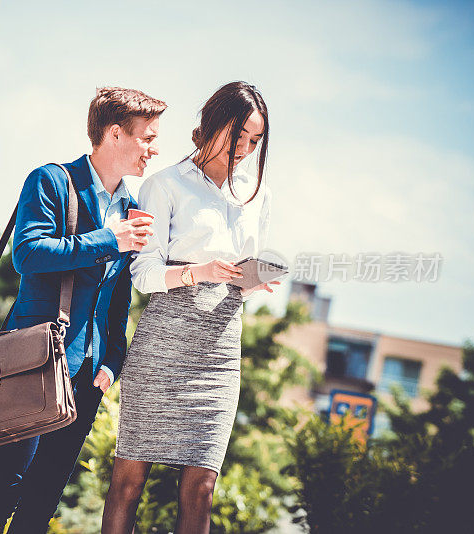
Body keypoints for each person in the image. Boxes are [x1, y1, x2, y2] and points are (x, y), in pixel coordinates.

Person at [0, 87, 166, 534]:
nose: (154, 149)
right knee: (4, 488)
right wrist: (109, 240)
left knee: (42, 502)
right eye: (147, 138)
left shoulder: (134, 209)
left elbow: (119, 297)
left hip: (88, 377)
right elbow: (29, 254)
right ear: (115, 133)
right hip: (34, 364)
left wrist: (114, 360)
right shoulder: (52, 181)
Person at [101, 81, 280, 534]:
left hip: (220, 351)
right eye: (239, 134)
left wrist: (250, 279)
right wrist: (201, 272)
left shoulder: (256, 193)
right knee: (129, 479)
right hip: (164, 344)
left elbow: (239, 264)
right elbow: (142, 275)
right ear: (215, 123)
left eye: (255, 140)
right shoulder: (165, 185)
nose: (244, 148)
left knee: (202, 488)